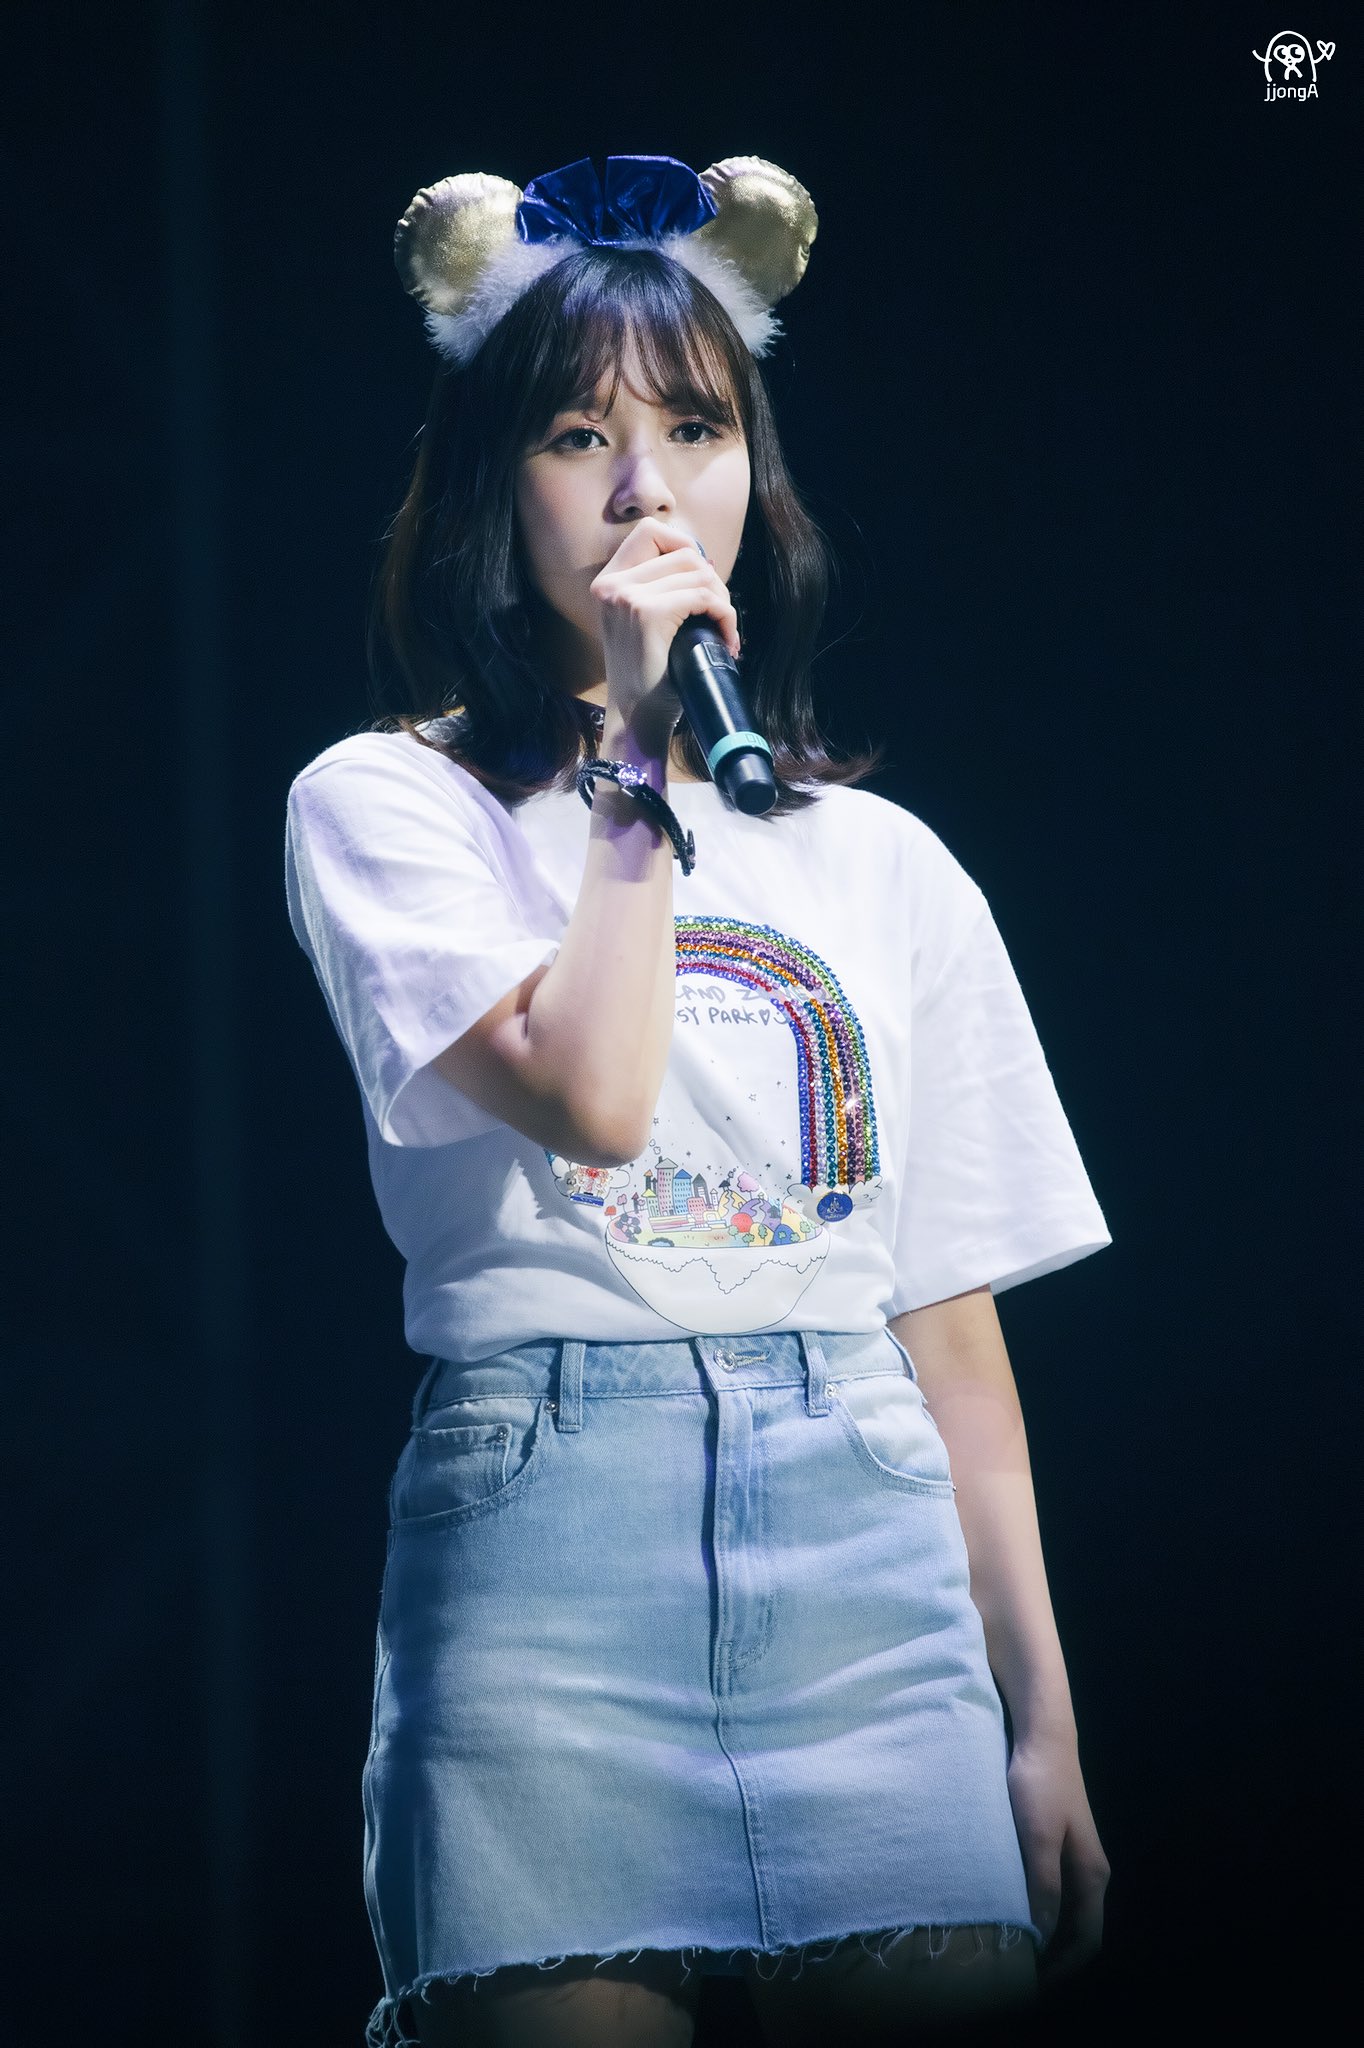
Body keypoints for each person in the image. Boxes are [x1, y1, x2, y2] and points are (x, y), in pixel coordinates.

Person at [283, 154, 1114, 2048]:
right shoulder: (389, 805)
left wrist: (1042, 1714)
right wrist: (636, 765)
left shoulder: (885, 861)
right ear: (495, 482)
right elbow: (591, 1096)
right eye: (580, 434)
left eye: (695, 427)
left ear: (757, 471)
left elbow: (946, 1317)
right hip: (546, 1543)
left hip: (869, 1552)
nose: (646, 486)